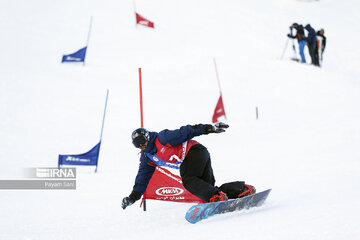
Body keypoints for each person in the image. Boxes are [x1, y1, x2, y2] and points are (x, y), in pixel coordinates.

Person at [122, 123, 256, 210]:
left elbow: (185, 131)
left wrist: (208, 128)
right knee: (208, 190)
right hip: (199, 154)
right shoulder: (147, 157)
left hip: (194, 152)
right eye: (137, 144)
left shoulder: (162, 138)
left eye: (141, 141)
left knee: (188, 180)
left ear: (147, 136)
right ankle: (241, 189)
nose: (141, 145)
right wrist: (133, 197)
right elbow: (142, 178)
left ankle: (217, 196)